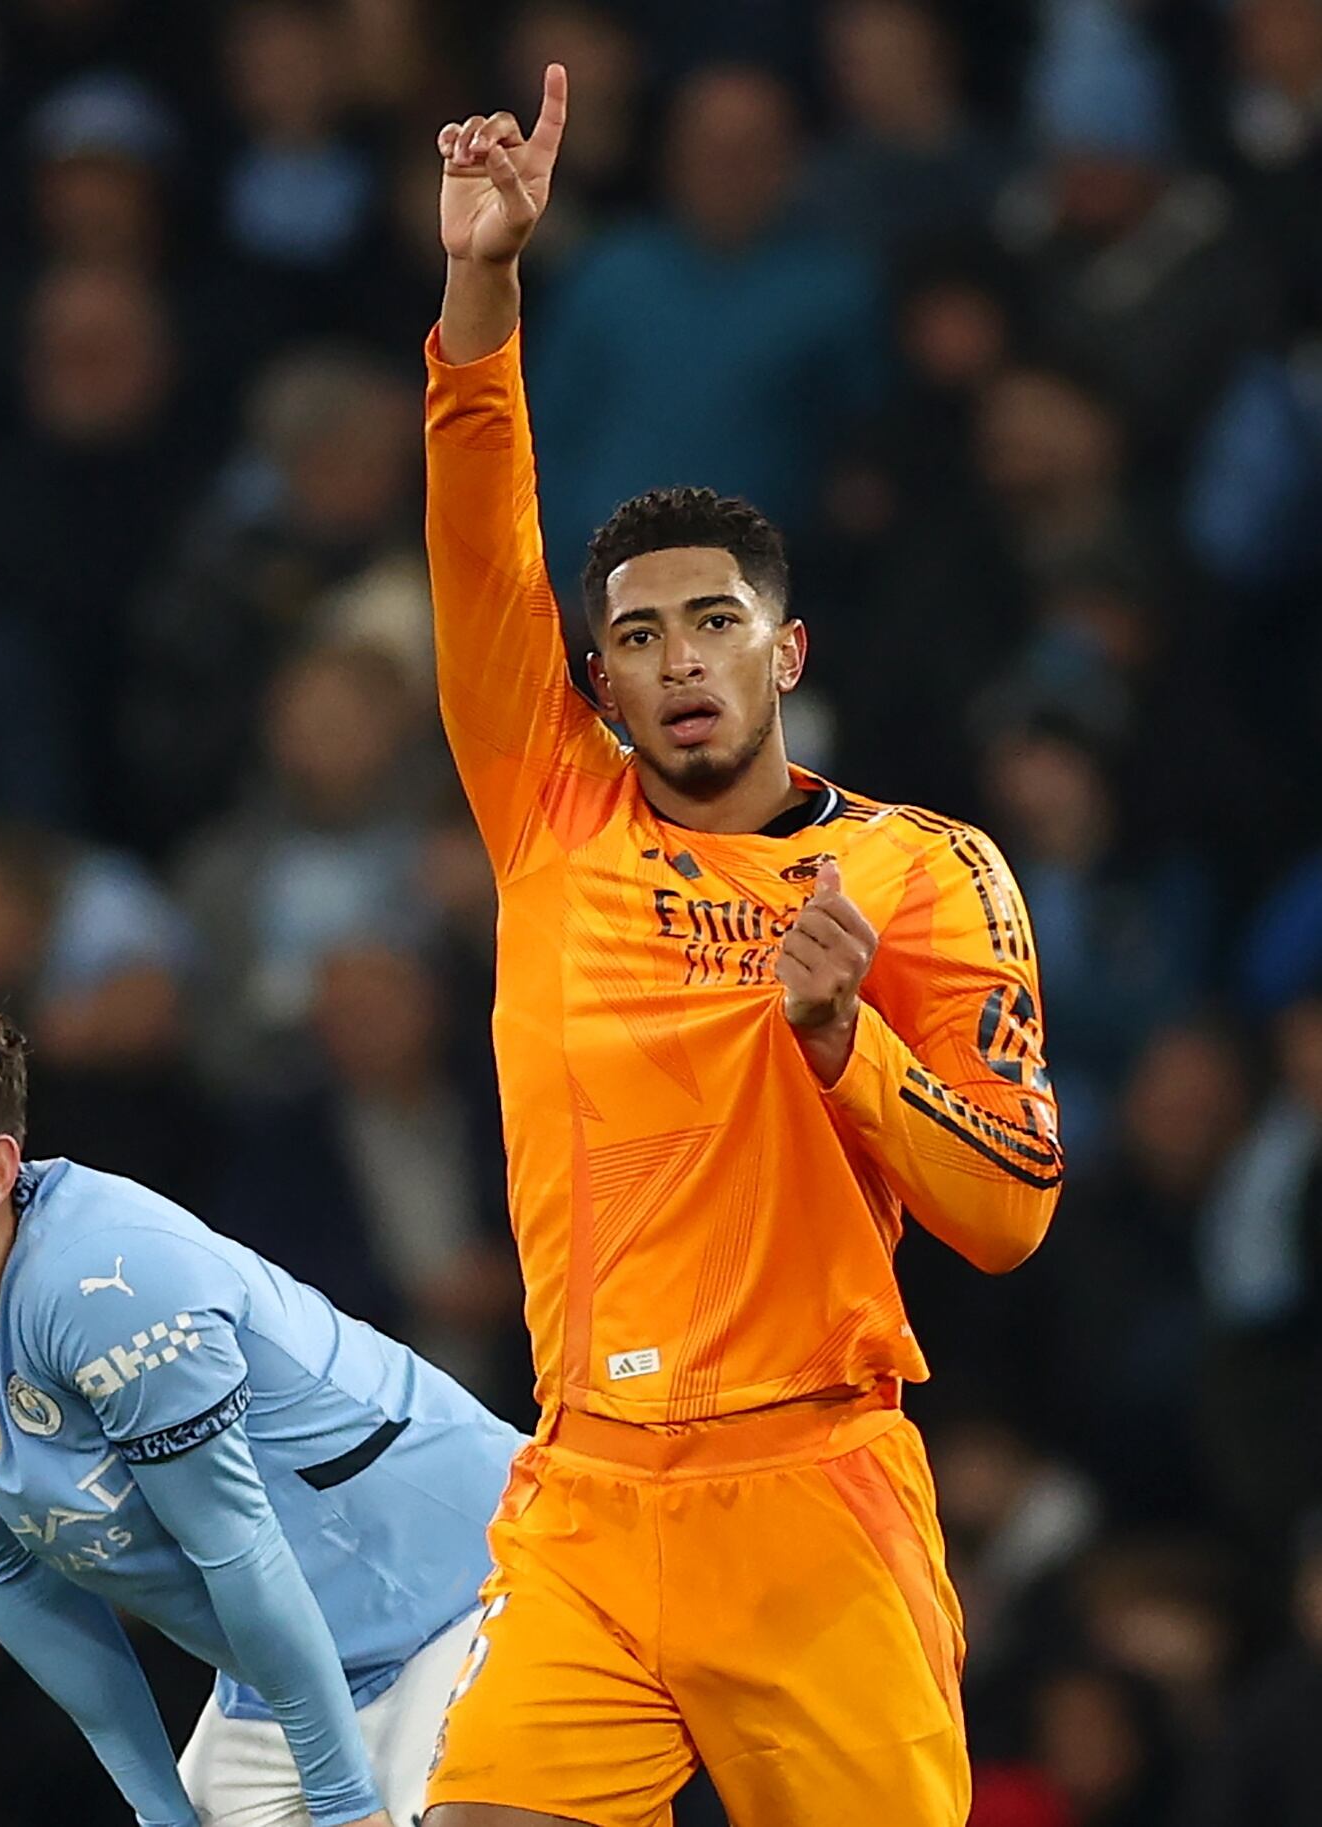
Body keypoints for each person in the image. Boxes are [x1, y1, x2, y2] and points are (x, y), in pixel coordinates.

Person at [418, 66, 1063, 1827]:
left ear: (786, 654)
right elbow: (478, 535)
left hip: (813, 1489)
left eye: (717, 622)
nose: (680, 657)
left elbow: (1011, 1213)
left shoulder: (922, 871)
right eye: (639, 637)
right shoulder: (551, 813)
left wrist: (852, 1044)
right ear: (600, 681)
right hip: (585, 1495)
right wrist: (484, 279)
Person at [0, 990, 525, 1827]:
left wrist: (342, 1803)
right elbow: (7, 1571)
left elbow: (235, 1545)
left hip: (471, 1581)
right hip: (281, 1670)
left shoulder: (108, 1280)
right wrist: (158, 1808)